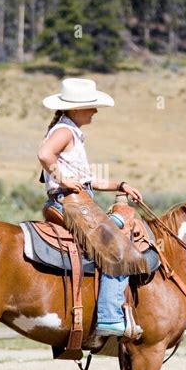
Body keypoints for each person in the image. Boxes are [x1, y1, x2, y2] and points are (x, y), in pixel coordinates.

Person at [37, 77, 143, 338]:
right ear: (75, 108)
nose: (95, 111)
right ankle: (109, 317)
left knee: (117, 228)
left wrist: (121, 184)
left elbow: (89, 180)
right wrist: (62, 179)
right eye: (91, 106)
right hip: (72, 204)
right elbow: (44, 154)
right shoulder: (64, 131)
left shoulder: (70, 131)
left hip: (77, 202)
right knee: (118, 249)